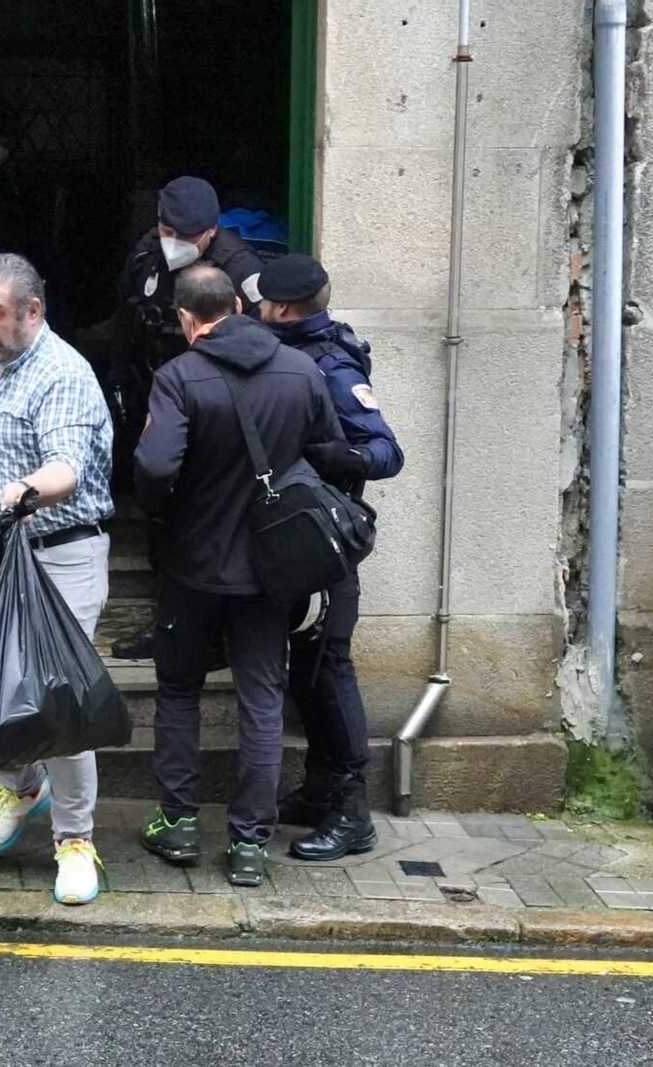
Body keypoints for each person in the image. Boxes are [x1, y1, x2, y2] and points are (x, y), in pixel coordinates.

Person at [133, 262, 344, 886]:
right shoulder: (301, 369)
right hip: (272, 572)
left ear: (185, 317)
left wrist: (164, 509)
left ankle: (176, 824)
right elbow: (326, 450)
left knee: (178, 690)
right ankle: (250, 842)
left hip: (193, 567)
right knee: (262, 697)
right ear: (242, 306)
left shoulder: (178, 377)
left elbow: (153, 465)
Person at [0, 253, 116, 905]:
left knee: (59, 698)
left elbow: (66, 467)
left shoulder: (63, 373)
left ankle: (74, 838)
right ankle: (21, 788)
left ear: (33, 310)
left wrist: (26, 489)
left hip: (61, 549)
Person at [255, 254, 405, 861]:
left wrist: (336, 458)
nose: (258, 312)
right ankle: (319, 792)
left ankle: (352, 812)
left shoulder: (331, 365)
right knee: (308, 673)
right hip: (293, 543)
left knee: (331, 670)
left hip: (324, 546)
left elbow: (387, 452)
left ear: (284, 310)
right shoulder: (288, 355)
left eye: (265, 305)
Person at [97, 175, 268, 661]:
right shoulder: (148, 251)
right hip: (159, 398)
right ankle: (170, 627)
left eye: (189, 237)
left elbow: (261, 347)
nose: (177, 244)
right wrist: (116, 380)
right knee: (161, 521)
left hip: (219, 412)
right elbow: (127, 317)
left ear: (211, 232)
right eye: (170, 231)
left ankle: (217, 636)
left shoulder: (241, 269)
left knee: (217, 526)